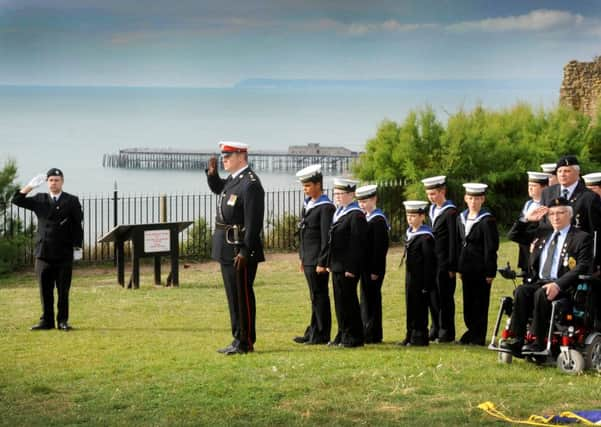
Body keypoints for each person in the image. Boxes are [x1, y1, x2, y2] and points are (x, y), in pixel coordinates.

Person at [502, 197, 593, 355]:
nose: (555, 217)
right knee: (522, 291)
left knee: (541, 294)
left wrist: (558, 285)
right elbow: (513, 235)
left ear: (570, 215)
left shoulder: (581, 237)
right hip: (540, 281)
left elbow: (582, 266)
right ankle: (517, 339)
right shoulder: (542, 233)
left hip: (565, 286)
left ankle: (538, 341)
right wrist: (526, 219)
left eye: (560, 213)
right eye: (551, 214)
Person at [206, 141, 265, 355]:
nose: (224, 159)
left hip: (239, 248)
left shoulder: (250, 184)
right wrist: (212, 175)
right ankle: (237, 337)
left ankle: (246, 341)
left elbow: (254, 223)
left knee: (242, 295)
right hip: (226, 247)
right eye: (223, 155)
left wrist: (244, 251)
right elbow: (218, 189)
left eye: (229, 155)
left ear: (241, 156)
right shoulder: (234, 180)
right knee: (233, 295)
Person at [12, 168, 83, 331]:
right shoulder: (40, 199)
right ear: (47, 182)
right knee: (45, 290)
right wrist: (29, 186)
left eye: (57, 180)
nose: (53, 183)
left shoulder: (71, 200)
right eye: (51, 180)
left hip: (64, 252)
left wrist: (77, 247)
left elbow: (78, 225)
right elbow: (16, 200)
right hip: (43, 253)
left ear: (62, 182)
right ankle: (47, 321)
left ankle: (62, 321)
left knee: (63, 290)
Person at [535, 155, 601, 273]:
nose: (562, 174)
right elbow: (543, 223)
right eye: (559, 171)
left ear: (577, 173)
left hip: (576, 252)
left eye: (567, 171)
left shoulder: (589, 197)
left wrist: (595, 262)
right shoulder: (547, 193)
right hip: (551, 250)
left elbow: (594, 230)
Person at [293, 164, 335, 345]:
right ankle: (313, 330)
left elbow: (326, 238)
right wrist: (302, 257)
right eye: (304, 186)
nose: (305, 189)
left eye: (308, 186)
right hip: (308, 257)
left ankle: (321, 333)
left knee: (320, 295)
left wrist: (322, 261)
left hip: (317, 259)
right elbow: (304, 233)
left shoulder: (325, 207)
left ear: (318, 185)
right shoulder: (309, 204)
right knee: (314, 296)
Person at [456, 183, 499, 346]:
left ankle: (478, 334)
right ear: (466, 198)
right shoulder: (461, 217)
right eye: (471, 198)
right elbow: (460, 243)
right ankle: (470, 330)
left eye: (477, 198)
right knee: (468, 301)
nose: (473, 201)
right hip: (466, 267)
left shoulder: (487, 220)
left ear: (482, 199)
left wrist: (490, 271)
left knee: (480, 301)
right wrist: (459, 266)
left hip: (481, 267)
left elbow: (491, 247)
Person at [327, 178, 367, 348]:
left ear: (351, 195)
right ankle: (343, 332)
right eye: (335, 193)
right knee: (339, 301)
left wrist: (352, 267)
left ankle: (354, 336)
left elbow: (357, 244)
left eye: (340, 194)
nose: (337, 197)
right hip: (337, 264)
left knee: (349, 302)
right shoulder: (339, 213)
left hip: (347, 267)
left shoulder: (356, 215)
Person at [421, 175, 458, 343]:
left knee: (444, 298)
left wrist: (452, 265)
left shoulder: (450, 212)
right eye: (429, 194)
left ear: (443, 191)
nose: (431, 197)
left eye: (434, 193)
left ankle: (446, 331)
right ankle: (434, 327)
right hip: (432, 262)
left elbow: (453, 240)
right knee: (432, 296)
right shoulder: (431, 210)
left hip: (444, 262)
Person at [356, 184, 389, 344]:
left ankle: (373, 332)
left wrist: (375, 269)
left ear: (374, 199)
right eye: (360, 202)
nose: (362, 204)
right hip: (365, 266)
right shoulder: (367, 218)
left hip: (373, 267)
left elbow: (379, 248)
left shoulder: (378, 220)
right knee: (366, 299)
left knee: (372, 300)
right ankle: (367, 329)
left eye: (365, 201)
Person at [400, 200, 436, 346]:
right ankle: (410, 334)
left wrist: (427, 283)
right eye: (408, 215)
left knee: (420, 306)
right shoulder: (410, 234)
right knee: (410, 305)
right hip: (411, 276)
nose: (410, 218)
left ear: (422, 217)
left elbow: (429, 262)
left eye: (414, 216)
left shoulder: (425, 237)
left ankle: (420, 335)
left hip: (421, 278)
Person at [508, 171, 549, 274]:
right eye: (529, 185)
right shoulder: (528, 204)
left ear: (544, 188)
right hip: (525, 250)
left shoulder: (547, 205)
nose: (530, 188)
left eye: (534, 186)